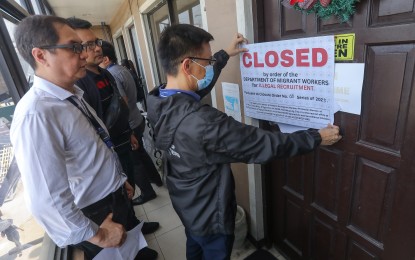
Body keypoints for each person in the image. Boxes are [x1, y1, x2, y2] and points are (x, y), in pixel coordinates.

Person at [146, 24, 342, 259]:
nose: (209, 67)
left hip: (186, 204)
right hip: (211, 216)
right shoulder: (203, 123)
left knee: (194, 246)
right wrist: (316, 137)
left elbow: (198, 85)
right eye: (207, 62)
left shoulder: (158, 99)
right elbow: (263, 144)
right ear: (187, 65)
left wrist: (224, 55)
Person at [10, 15, 155, 260]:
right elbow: (46, 199)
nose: (84, 55)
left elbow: (93, 148)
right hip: (96, 213)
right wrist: (96, 235)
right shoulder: (37, 114)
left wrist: (118, 180)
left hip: (113, 195)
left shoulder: (72, 94)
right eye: (74, 47)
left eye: (84, 46)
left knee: (135, 252)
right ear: (41, 55)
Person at [100, 41, 162, 205]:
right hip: (137, 118)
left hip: (130, 124)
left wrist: (126, 130)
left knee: (135, 161)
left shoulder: (111, 74)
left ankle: (147, 193)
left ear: (106, 59)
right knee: (141, 153)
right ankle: (157, 179)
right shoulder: (122, 69)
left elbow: (123, 102)